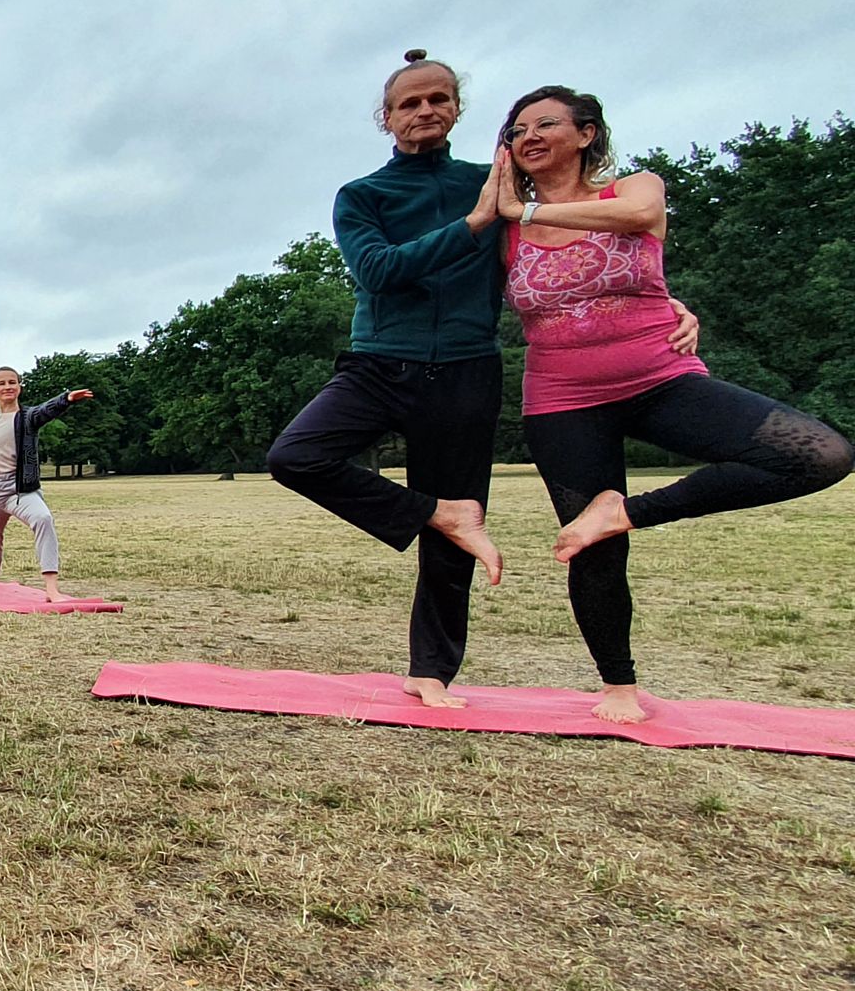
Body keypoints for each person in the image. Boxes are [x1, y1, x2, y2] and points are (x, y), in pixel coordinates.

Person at [264, 51, 699, 710]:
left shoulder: (498, 185)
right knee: (296, 455)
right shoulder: (364, 196)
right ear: (387, 118)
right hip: (381, 361)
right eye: (409, 103)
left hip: (467, 369)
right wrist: (475, 220)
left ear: (457, 109)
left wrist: (669, 304)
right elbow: (379, 271)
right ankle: (437, 512)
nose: (425, 110)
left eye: (438, 98)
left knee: (453, 545)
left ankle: (431, 671)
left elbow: (571, 254)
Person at [494, 86, 853, 723]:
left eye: (545, 123)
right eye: (518, 129)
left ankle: (626, 511)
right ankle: (618, 686)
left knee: (820, 455)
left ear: (586, 134)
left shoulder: (635, 189)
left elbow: (636, 223)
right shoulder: (503, 232)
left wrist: (524, 213)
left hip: (664, 379)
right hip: (562, 401)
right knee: (592, 550)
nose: (529, 136)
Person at [0, 367, 93, 603]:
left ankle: (52, 589)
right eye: (2, 383)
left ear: (19, 387)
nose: (8, 387)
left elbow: (46, 411)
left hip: (19, 490)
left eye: (12, 382)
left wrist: (65, 399)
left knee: (43, 519)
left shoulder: (27, 418)